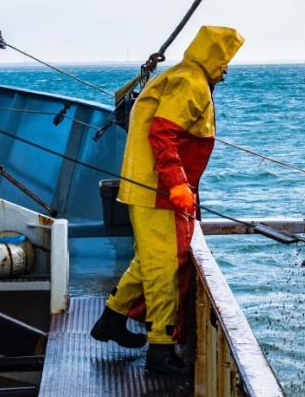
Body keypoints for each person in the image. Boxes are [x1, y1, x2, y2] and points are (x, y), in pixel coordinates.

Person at [90, 25, 245, 376]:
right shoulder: (191, 83)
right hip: (157, 190)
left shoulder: (183, 75)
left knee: (149, 259)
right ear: (214, 57)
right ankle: (160, 350)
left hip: (146, 187)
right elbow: (162, 133)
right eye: (225, 62)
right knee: (164, 267)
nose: (226, 70)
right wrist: (177, 183)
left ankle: (112, 319)